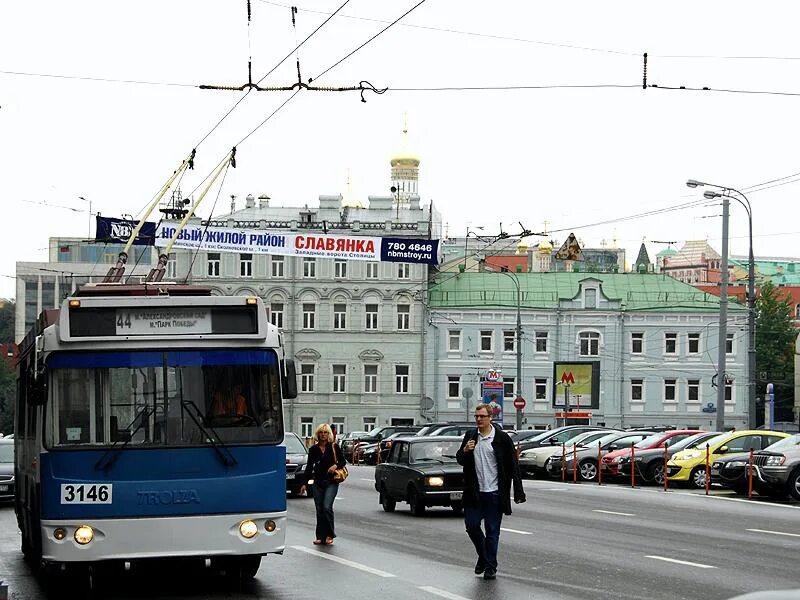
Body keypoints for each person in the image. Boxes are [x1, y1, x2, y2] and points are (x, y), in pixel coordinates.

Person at [456, 403, 526, 580]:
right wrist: (465, 451)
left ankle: (490, 567)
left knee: (492, 531)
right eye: (476, 416)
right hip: (474, 492)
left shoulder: (502, 439)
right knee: (472, 526)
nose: (479, 419)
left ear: (490, 418)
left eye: (482, 416)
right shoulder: (471, 436)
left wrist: (518, 492)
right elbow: (461, 459)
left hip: (494, 493)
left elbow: (512, 467)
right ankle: (484, 556)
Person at [299, 424, 346, 545]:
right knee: (319, 510)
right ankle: (320, 536)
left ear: (329, 434)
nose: (323, 434)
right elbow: (309, 467)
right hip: (318, 482)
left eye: (325, 432)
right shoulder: (313, 449)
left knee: (326, 507)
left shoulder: (334, 447)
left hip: (331, 481)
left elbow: (343, 461)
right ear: (318, 434)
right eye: (321, 432)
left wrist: (335, 465)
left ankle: (330, 535)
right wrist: (304, 483)